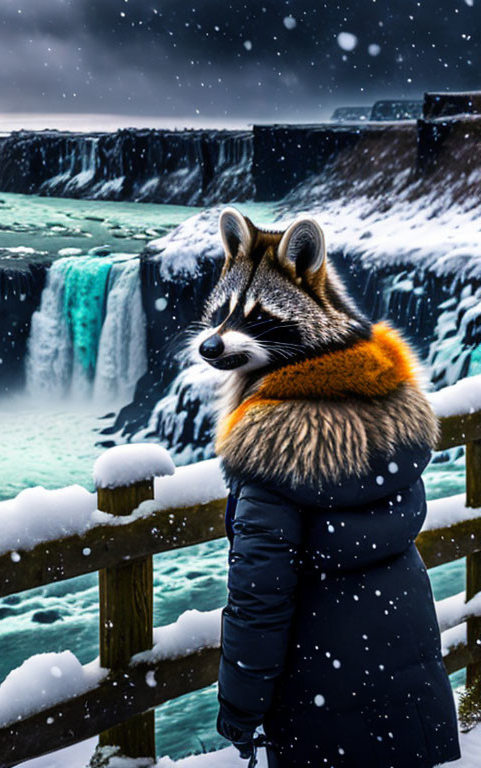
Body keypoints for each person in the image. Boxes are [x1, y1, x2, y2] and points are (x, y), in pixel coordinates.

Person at [195, 207, 461, 767]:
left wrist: (239, 709)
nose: (218, 340)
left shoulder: (276, 448)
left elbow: (258, 597)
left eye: (254, 319)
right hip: (410, 697)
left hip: (323, 717)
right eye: (222, 316)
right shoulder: (388, 415)